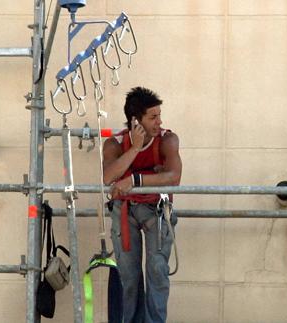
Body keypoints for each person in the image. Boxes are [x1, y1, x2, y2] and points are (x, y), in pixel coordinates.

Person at [103, 86, 182, 323]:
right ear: (136, 121)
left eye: (159, 115)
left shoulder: (167, 140)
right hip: (125, 211)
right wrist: (136, 148)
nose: (160, 121)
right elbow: (108, 177)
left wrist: (134, 179)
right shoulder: (115, 144)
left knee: (157, 272)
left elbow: (173, 177)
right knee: (128, 276)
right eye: (153, 117)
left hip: (156, 210)